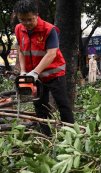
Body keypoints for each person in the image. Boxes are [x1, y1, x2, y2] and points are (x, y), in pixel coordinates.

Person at [14, 0, 74, 135]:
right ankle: (45, 136)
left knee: (62, 104)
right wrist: (23, 71)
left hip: (54, 74)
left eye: (30, 19)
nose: (26, 23)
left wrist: (35, 72)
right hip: (35, 76)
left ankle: (71, 134)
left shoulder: (49, 30)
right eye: (22, 20)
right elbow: (21, 50)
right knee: (40, 106)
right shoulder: (19, 29)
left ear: (36, 14)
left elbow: (52, 53)